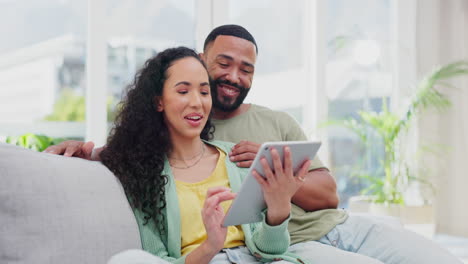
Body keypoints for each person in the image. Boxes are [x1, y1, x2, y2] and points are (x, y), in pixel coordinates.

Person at [45, 25, 461, 264]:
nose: (233, 77)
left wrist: (277, 183)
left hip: (326, 231)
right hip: (283, 246)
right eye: (222, 65)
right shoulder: (148, 159)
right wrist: (84, 153)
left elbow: (322, 201)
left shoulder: (264, 131)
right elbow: (127, 154)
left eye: (246, 69)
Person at [99, 45, 317, 264]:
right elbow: (158, 259)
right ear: (159, 101)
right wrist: (210, 245)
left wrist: (278, 210)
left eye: (204, 92)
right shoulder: (143, 173)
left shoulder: (235, 157)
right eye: (183, 91)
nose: (197, 103)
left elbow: (271, 252)